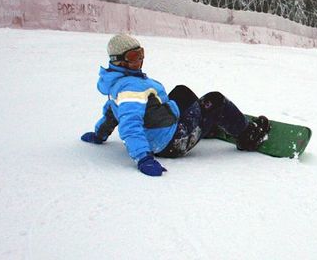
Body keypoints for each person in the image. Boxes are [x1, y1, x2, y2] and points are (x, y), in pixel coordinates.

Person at [80, 33, 270, 177]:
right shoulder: (132, 88)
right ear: (118, 60)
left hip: (161, 127)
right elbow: (129, 125)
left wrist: (100, 134)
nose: (140, 60)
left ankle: (204, 126)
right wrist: (143, 159)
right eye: (133, 57)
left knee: (181, 92)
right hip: (170, 143)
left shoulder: (116, 82)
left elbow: (112, 113)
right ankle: (248, 137)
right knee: (217, 100)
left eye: (141, 54)